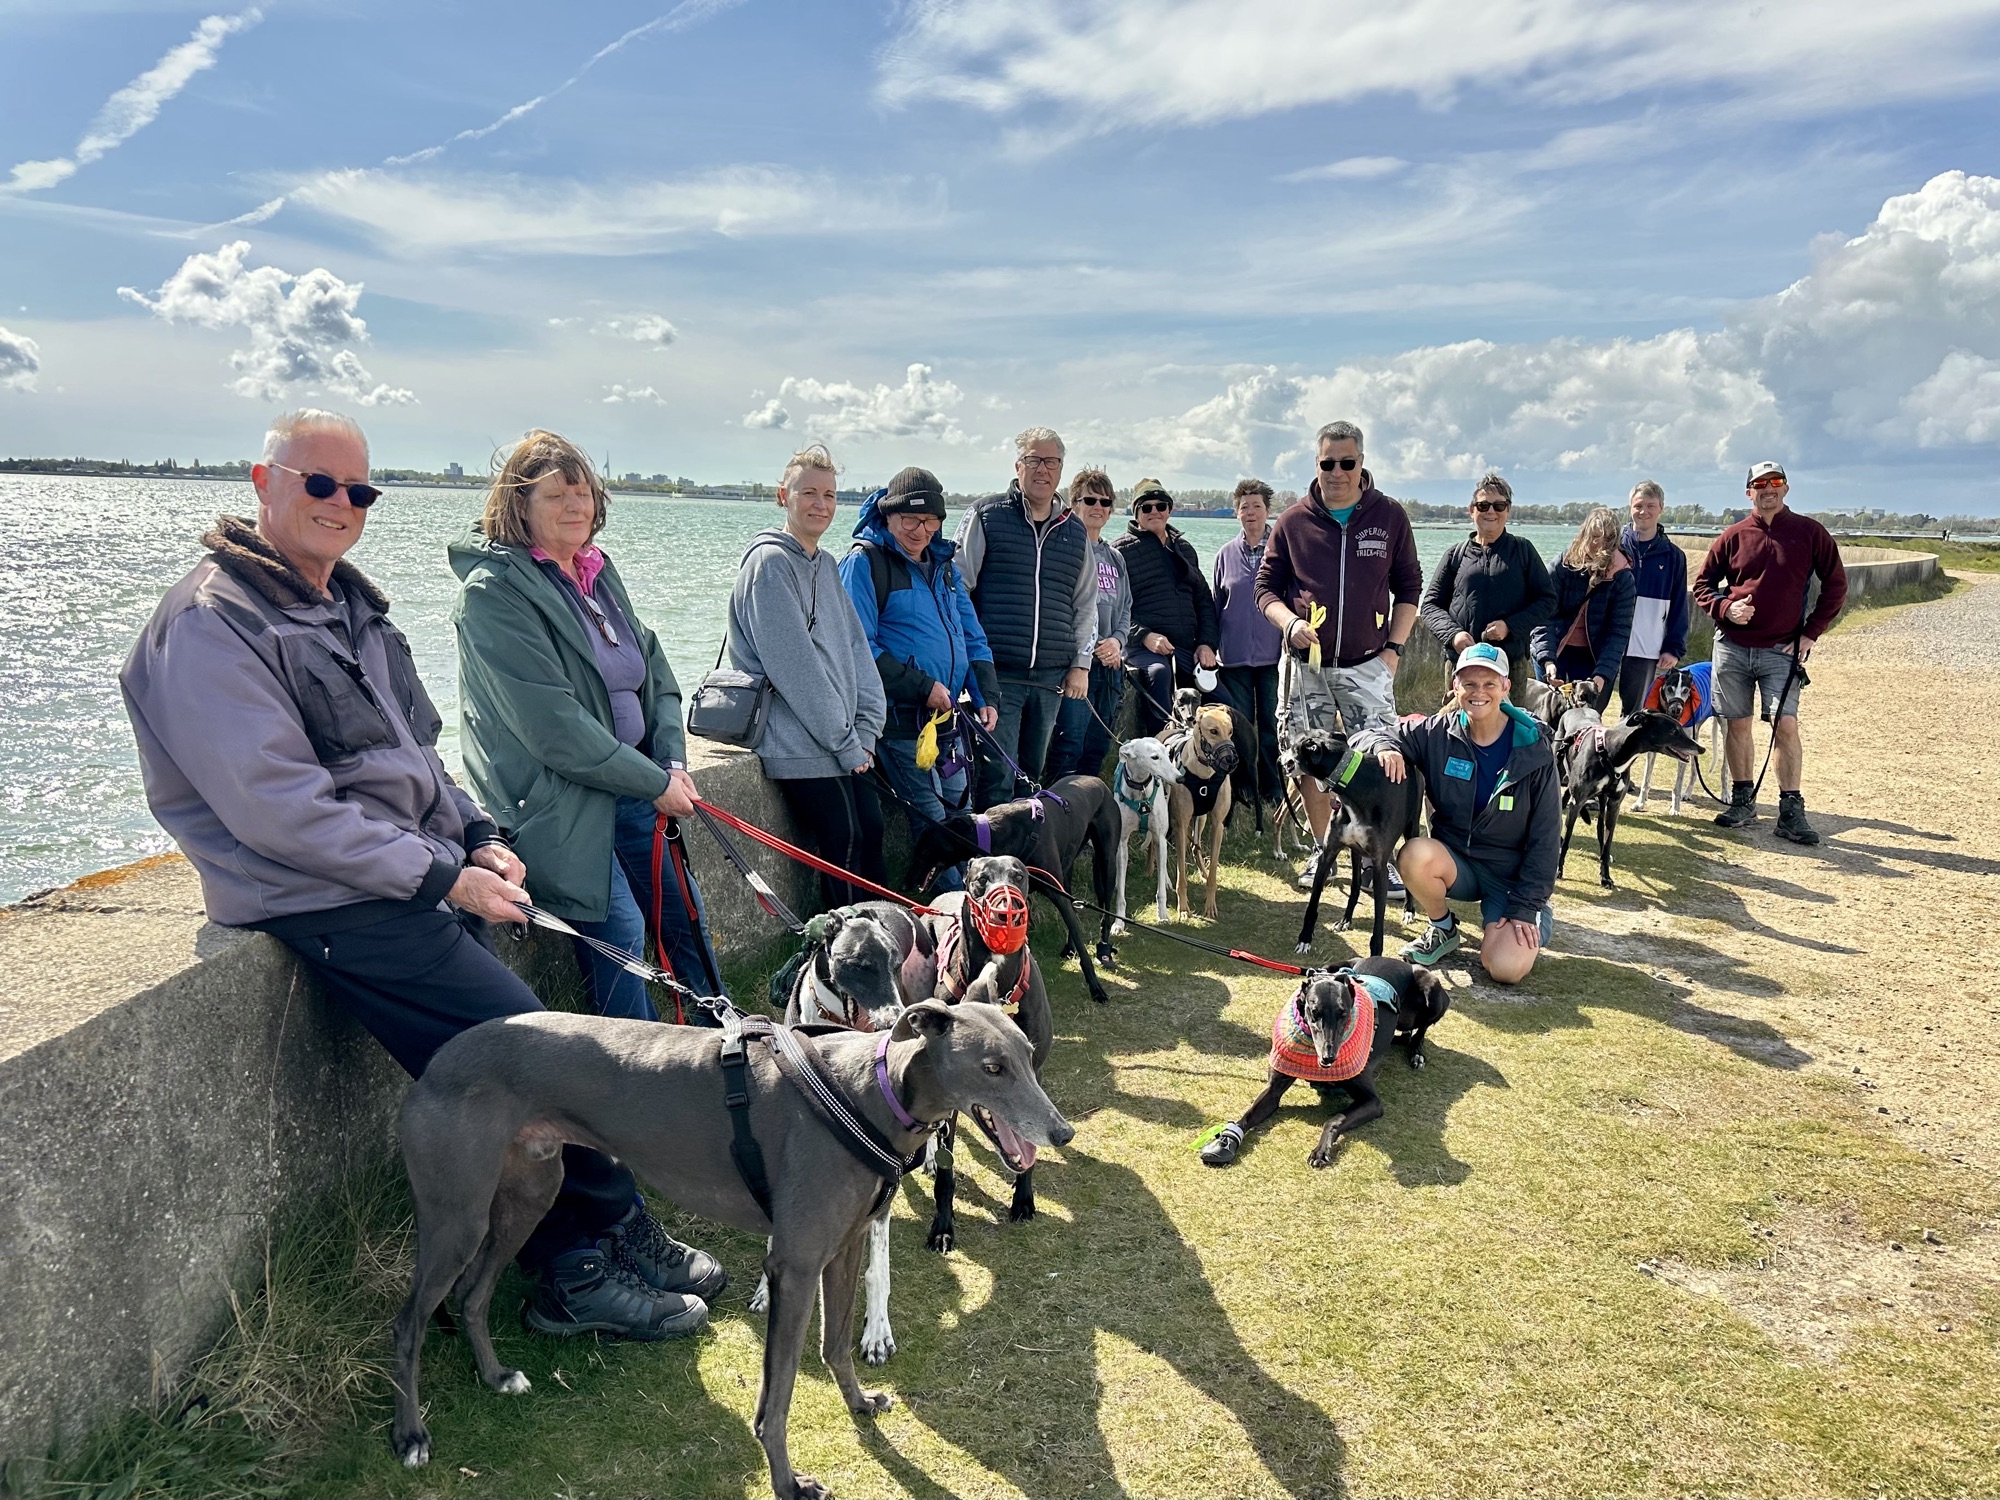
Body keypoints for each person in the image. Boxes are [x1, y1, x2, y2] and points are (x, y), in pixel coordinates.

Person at [120, 408, 720, 1343]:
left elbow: (416, 757)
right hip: (322, 896)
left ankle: (615, 1227)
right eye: (320, 484)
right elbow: (280, 811)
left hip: (401, 873)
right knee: (538, 1056)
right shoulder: (212, 621)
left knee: (549, 1050)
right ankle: (576, 1271)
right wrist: (443, 878)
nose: (342, 504)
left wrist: (473, 835)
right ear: (263, 483)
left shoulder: (343, 606)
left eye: (359, 490)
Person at [450, 429, 723, 1023]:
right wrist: (654, 783)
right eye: (556, 496)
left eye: (584, 494)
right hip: (558, 799)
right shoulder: (493, 594)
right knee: (620, 932)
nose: (576, 507)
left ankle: (727, 1049)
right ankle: (633, 1070)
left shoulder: (596, 571)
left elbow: (654, 669)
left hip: (634, 783)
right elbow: (556, 729)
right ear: (519, 505)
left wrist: (671, 761)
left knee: (684, 916)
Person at [1255, 419, 1423, 890]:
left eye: (1347, 463)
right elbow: (1264, 588)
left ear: (1361, 463)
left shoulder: (1389, 516)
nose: (1337, 473)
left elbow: (1410, 587)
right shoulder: (1293, 521)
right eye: (1328, 463)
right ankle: (1321, 849)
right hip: (1304, 668)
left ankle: (1378, 858)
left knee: (1383, 758)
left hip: (1367, 665)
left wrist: (1394, 649)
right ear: (1317, 464)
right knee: (1306, 759)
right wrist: (1289, 623)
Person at [728, 443, 888, 907]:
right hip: (798, 743)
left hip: (843, 739)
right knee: (844, 840)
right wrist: (845, 741)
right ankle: (846, 945)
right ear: (784, 496)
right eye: (809, 493)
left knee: (871, 830)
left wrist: (867, 728)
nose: (821, 504)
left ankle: (886, 937)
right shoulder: (769, 566)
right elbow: (796, 671)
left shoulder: (827, 565)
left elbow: (857, 651)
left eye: (830, 495)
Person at [840, 465, 1000, 885]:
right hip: (899, 723)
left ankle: (977, 902)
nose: (921, 530)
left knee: (964, 818)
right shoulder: (864, 564)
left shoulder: (944, 567)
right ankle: (962, 911)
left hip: (947, 722)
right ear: (888, 515)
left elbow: (972, 636)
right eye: (910, 519)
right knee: (934, 824)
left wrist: (986, 695)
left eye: (930, 520)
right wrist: (923, 687)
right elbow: (857, 648)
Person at [1692, 461, 1847, 844]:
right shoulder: (1733, 535)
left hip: (1782, 649)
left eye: (1775, 481)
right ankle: (1743, 801)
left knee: (1785, 724)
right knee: (1737, 723)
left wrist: (1810, 633)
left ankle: (1791, 810)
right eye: (1760, 484)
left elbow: (1836, 585)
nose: (1768, 489)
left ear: (1786, 488)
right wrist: (1727, 609)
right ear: (1749, 492)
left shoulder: (1810, 533)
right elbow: (1703, 585)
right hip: (1732, 647)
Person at [1394, 643, 1560, 984]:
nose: (1478, 692)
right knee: (1414, 854)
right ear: (1455, 686)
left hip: (1510, 877)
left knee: (1504, 968)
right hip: (1458, 863)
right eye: (1469, 683)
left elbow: (1546, 839)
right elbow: (1382, 733)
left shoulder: (1534, 748)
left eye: (1489, 683)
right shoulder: (1438, 732)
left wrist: (1526, 906)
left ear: (1506, 687)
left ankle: (1529, 918)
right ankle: (1443, 928)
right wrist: (1386, 748)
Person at [954, 427, 1094, 806]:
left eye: (1051, 461)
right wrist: (969, 657)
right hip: (998, 673)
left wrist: (1081, 664)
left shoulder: (1075, 531)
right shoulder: (986, 515)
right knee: (998, 772)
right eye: (1033, 460)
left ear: (1061, 469)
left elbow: (1085, 603)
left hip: (1050, 678)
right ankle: (990, 844)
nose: (1042, 469)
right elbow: (957, 586)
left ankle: (1026, 844)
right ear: (1018, 466)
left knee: (1032, 773)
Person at [1418, 472, 1554, 698]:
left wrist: (1509, 626)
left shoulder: (1523, 550)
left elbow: (1547, 600)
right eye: (1483, 505)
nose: (1491, 511)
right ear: (1472, 510)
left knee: (1509, 720)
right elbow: (1430, 605)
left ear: (1508, 511)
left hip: (1510, 663)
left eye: (1499, 505)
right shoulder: (1455, 555)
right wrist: (1453, 635)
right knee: (1459, 719)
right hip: (1462, 662)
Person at [1044, 468, 1132, 780]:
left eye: (1105, 502)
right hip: (1076, 665)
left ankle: (1088, 802)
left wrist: (1117, 641)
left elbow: (1125, 608)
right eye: (1090, 500)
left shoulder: (1115, 557)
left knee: (1097, 744)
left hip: (1110, 667)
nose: (1098, 507)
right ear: (1074, 503)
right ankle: (1060, 803)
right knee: (1069, 743)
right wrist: (1085, 648)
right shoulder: (1064, 548)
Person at [1113, 478, 1219, 735]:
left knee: (1223, 702)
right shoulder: (1120, 552)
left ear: (1169, 510)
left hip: (1186, 649)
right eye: (1146, 507)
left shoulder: (1185, 549)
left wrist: (1206, 644)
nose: (1155, 512)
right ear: (1136, 512)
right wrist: (1145, 636)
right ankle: (1162, 742)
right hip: (1143, 648)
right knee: (1159, 674)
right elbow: (1113, 609)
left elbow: (1204, 601)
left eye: (1161, 506)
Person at [1210, 479, 1285, 807]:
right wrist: (1209, 645)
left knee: (1272, 726)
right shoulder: (1225, 555)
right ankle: (1244, 789)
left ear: (1268, 511)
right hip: (1234, 657)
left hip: (1274, 657)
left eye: (1256, 506)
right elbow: (1215, 605)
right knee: (1239, 728)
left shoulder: (1282, 551)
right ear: (1236, 513)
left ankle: (1274, 789)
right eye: (1244, 507)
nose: (1250, 512)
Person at [1530, 506, 1636, 711]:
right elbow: (1541, 614)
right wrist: (1547, 660)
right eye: (1594, 536)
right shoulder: (1562, 565)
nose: (1599, 544)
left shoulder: (1623, 578)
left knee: (1586, 718)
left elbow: (1618, 632)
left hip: (1593, 657)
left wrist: (1602, 674)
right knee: (1546, 716)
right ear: (1584, 533)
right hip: (1554, 648)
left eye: (1607, 538)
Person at [1617, 480, 1691, 715]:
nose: (1644, 512)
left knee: (1634, 715)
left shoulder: (1674, 556)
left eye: (1650, 506)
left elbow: (1679, 605)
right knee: (1590, 707)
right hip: (1607, 643)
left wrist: (1673, 648)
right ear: (1630, 507)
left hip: (1646, 647)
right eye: (1638, 506)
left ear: (1661, 508)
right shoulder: (1613, 547)